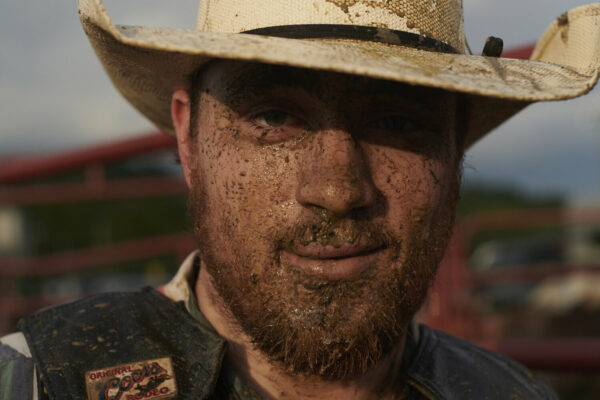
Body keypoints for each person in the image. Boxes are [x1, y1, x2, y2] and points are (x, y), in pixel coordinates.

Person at [2, 0, 600, 398]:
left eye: (397, 119)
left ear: (454, 145)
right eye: (273, 116)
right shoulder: (38, 379)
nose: (339, 190)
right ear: (188, 138)